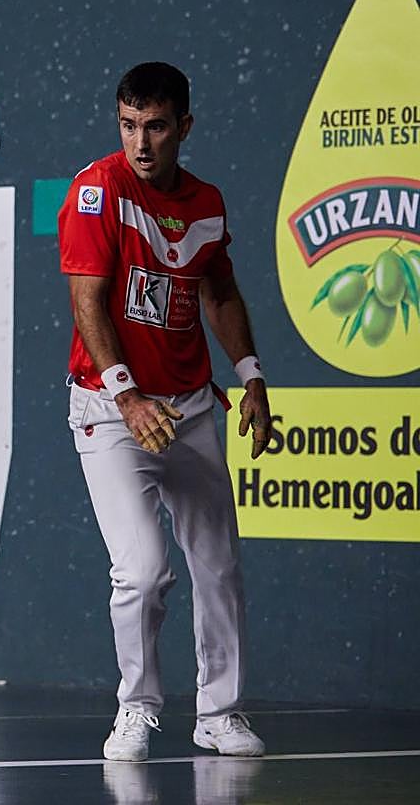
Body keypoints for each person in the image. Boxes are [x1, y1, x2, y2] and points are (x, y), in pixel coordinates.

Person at [57, 62, 270, 762]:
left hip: (191, 407)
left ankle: (220, 714)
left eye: (154, 127)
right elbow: (87, 299)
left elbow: (221, 292)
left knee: (219, 566)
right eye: (128, 125)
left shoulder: (206, 201)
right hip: (111, 409)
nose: (140, 143)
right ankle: (137, 708)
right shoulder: (98, 191)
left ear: (184, 126)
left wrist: (252, 377)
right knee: (143, 573)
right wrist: (126, 395)